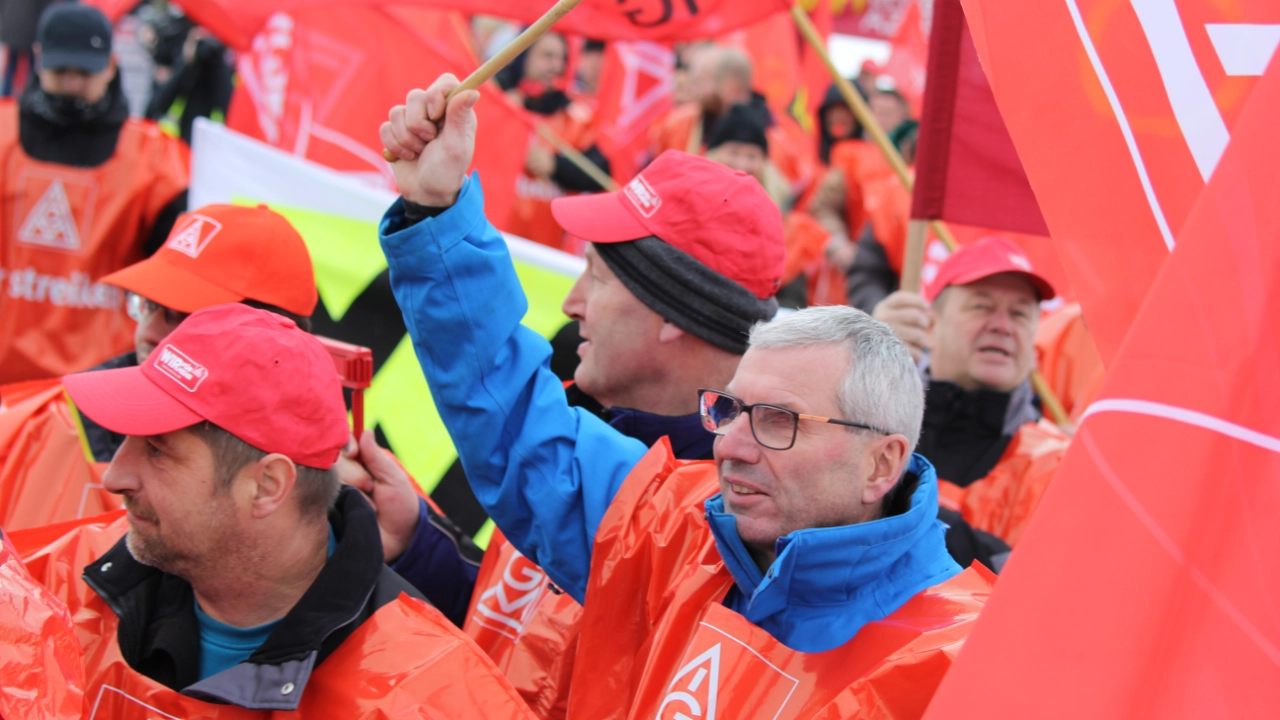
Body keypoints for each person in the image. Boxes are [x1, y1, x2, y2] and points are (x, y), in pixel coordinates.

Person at [378, 73, 993, 718]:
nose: (730, 444)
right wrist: (435, 214)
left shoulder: (953, 665)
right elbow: (511, 421)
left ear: (882, 463)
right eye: (730, 410)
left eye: (778, 421)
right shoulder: (679, 521)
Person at [29, 303, 535, 717]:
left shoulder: (428, 698)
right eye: (125, 440)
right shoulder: (55, 582)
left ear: (268, 486)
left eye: (157, 450)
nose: (115, 476)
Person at [0, 3, 189, 385]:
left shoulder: (153, 160)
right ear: (38, 60)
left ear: (111, 65)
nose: (72, 83)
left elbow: (178, 278)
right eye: (61, 71)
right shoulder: (3, 136)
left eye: (83, 72)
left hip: (101, 388)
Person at [873, 236, 1071, 546]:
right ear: (930, 328)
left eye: (1020, 314)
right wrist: (865, 365)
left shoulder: (1061, 464)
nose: (1002, 326)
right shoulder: (875, 424)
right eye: (982, 306)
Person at [496, 30, 610, 250]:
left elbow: (600, 173)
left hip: (546, 252)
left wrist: (555, 165)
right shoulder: (497, 102)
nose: (556, 66)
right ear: (523, 55)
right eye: (547, 56)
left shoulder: (574, 116)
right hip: (493, 239)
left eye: (562, 59)